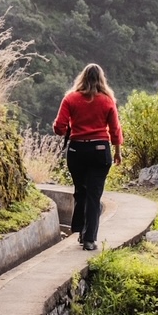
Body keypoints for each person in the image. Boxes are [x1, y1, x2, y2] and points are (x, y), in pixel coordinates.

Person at [53, 63, 123, 251]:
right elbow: (115, 130)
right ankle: (89, 239)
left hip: (77, 152)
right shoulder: (108, 100)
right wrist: (117, 152)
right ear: (101, 79)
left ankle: (78, 230)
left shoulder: (70, 99)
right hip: (100, 150)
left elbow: (59, 128)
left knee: (81, 190)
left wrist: (70, 126)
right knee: (94, 195)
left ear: (82, 77)